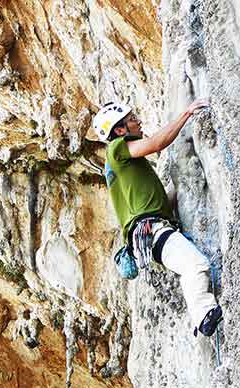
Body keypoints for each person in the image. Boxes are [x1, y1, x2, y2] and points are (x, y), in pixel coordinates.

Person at [92, 100, 222, 337]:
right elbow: (155, 144)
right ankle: (203, 316)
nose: (138, 121)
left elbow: (162, 203)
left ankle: (199, 318)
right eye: (131, 120)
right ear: (119, 131)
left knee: (190, 265)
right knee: (196, 265)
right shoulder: (116, 149)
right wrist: (187, 113)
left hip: (151, 231)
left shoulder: (132, 172)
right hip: (151, 231)